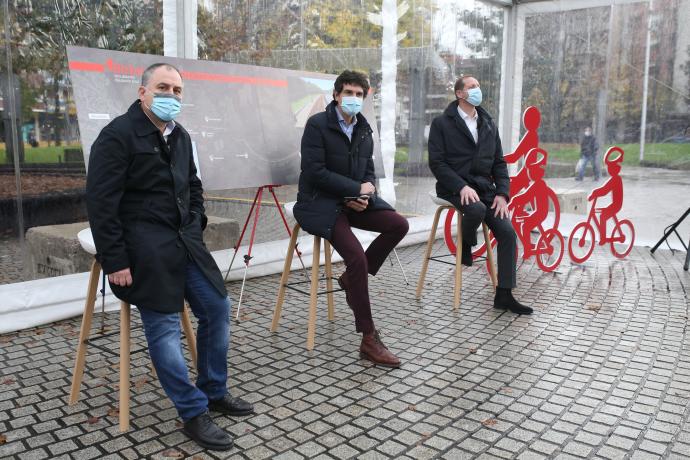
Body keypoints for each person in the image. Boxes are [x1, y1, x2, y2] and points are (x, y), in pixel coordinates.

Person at [86, 63, 252, 451]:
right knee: (164, 331)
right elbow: (100, 204)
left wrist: (195, 223)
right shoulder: (116, 137)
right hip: (144, 248)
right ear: (142, 91)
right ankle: (193, 412)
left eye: (178, 90)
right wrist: (116, 260)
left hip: (186, 242)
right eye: (163, 88)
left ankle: (213, 390)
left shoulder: (182, 137)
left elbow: (193, 186)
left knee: (217, 307)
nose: (172, 96)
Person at [293, 70, 409, 367]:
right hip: (319, 204)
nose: (353, 99)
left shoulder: (364, 128)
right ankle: (369, 339)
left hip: (351, 201)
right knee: (357, 257)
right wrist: (353, 190)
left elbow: (367, 171)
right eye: (348, 93)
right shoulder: (317, 125)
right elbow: (314, 172)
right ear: (336, 95)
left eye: (359, 94)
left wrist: (364, 196)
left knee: (399, 224)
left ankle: (349, 280)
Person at [428, 75, 532, 315]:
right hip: (454, 187)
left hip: (485, 190)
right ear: (459, 94)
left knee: (507, 233)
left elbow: (499, 163)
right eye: (472, 87)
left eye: (478, 85)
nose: (477, 90)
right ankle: (465, 244)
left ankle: (504, 295)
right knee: (475, 209)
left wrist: (503, 195)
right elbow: (437, 163)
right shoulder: (442, 123)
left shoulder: (487, 123)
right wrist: (461, 186)